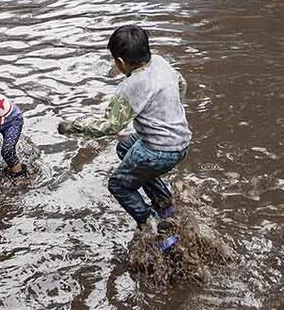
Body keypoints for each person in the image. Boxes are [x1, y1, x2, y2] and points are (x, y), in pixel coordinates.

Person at [60, 25, 192, 252]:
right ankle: (165, 205)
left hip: (158, 151)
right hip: (180, 143)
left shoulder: (130, 87)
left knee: (118, 184)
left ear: (120, 62)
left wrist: (71, 127)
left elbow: (110, 125)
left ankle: (154, 230)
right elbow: (181, 84)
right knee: (125, 146)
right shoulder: (160, 62)